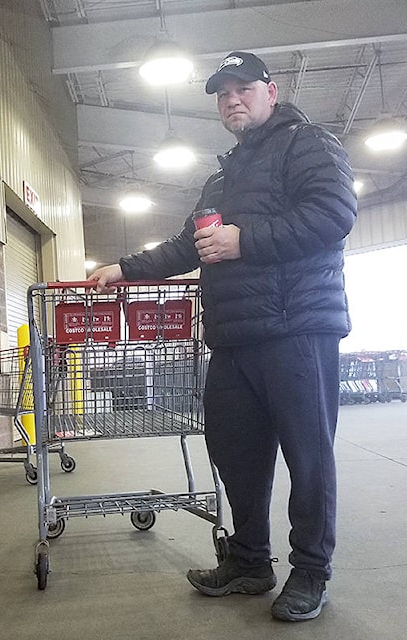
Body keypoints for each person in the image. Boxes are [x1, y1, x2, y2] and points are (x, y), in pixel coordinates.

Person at [89, 51, 357, 622]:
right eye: (221, 92)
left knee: (308, 457)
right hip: (233, 338)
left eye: (243, 88)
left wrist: (246, 240)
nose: (232, 99)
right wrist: (125, 267)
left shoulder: (309, 144)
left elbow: (333, 214)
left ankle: (310, 570)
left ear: (271, 90)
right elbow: (188, 244)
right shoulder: (222, 175)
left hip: (297, 329)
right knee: (237, 456)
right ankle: (251, 561)